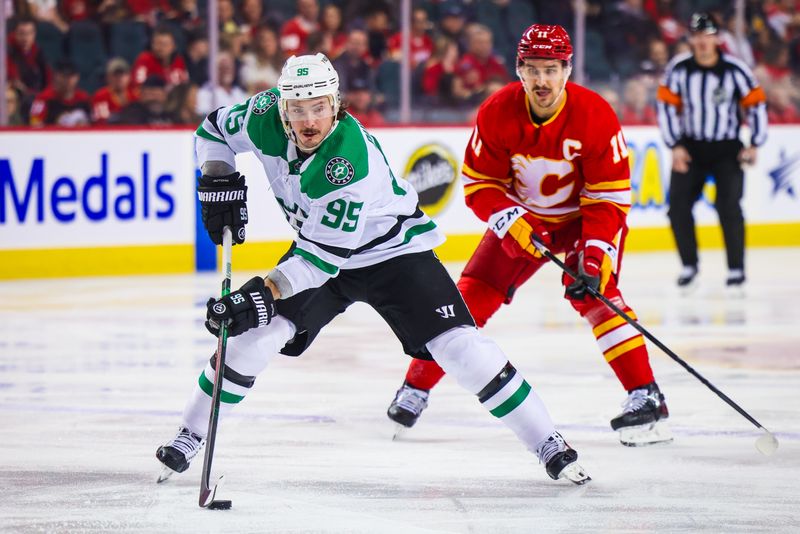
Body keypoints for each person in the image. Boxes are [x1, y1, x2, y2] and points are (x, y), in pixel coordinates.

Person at [155, 53, 590, 485]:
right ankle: (189, 434)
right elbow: (212, 130)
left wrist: (262, 294)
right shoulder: (261, 115)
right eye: (300, 109)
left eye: (320, 108)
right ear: (281, 106)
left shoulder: (347, 162)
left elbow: (320, 263)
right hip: (319, 248)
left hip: (391, 254)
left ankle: (546, 440)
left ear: (336, 103)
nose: (310, 122)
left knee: (460, 349)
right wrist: (217, 176)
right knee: (253, 340)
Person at [386, 24, 672, 448]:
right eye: (533, 69)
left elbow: (608, 199)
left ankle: (645, 393)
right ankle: (416, 387)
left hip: (581, 222)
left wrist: (593, 256)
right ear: (519, 70)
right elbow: (480, 185)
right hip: (524, 222)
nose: (542, 80)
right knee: (469, 297)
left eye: (551, 69)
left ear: (567, 70)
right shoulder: (497, 111)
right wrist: (510, 219)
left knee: (596, 293)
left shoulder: (595, 115)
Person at [656, 12, 768, 291]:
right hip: (691, 147)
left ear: (718, 38)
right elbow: (666, 108)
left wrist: (755, 142)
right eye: (697, 35)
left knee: (729, 207)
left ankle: (735, 268)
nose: (703, 41)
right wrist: (675, 146)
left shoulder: (735, 70)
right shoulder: (679, 69)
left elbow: (756, 104)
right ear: (690, 39)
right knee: (678, 208)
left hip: (726, 149)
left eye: (708, 35)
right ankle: (689, 265)